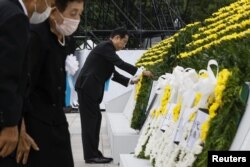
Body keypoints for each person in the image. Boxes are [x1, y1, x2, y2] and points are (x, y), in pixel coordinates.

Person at [15, 0, 84, 166]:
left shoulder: (67, 40)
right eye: (73, 13)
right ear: (54, 11)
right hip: (35, 123)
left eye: (80, 14)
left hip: (57, 121)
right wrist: (19, 129)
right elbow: (21, 86)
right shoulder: (36, 37)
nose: (76, 20)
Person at [75, 27, 153, 164]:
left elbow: (113, 72)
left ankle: (94, 153)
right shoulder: (106, 47)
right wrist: (140, 72)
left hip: (89, 89)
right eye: (123, 42)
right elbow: (120, 64)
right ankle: (91, 156)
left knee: (95, 120)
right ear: (116, 37)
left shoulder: (106, 50)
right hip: (87, 88)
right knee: (90, 123)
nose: (124, 46)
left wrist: (130, 81)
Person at [0, 0, 53, 166]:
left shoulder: (4, 8)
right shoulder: (16, 17)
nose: (50, 8)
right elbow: (7, 75)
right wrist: (9, 124)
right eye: (50, 2)